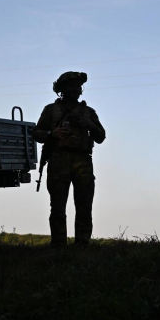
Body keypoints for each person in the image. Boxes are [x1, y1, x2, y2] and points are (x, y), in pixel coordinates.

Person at [33, 72, 105, 246]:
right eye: (72, 86)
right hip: (59, 159)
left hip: (83, 161)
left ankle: (82, 244)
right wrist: (52, 133)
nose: (76, 89)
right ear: (62, 89)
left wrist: (91, 125)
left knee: (84, 205)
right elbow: (36, 133)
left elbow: (101, 136)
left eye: (78, 86)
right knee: (57, 206)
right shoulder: (51, 110)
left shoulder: (88, 112)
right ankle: (58, 245)